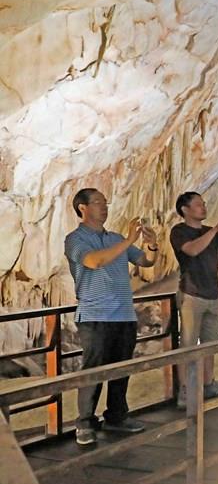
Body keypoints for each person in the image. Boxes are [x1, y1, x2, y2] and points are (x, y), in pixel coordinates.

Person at [64, 188, 158, 446]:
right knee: (93, 371)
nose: (104, 207)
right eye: (98, 202)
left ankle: (117, 416)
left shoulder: (115, 238)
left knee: (121, 369)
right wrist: (128, 240)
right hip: (95, 315)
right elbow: (94, 262)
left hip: (124, 313)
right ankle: (85, 423)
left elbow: (145, 262)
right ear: (82, 208)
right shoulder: (75, 239)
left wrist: (151, 245)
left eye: (105, 202)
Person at [170, 192, 218, 408]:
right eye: (198, 204)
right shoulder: (179, 232)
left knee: (210, 344)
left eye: (203, 204)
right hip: (192, 295)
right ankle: (185, 390)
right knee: (188, 345)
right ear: (185, 209)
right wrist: (216, 229)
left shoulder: (208, 231)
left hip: (214, 293)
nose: (203, 207)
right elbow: (192, 250)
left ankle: (208, 383)